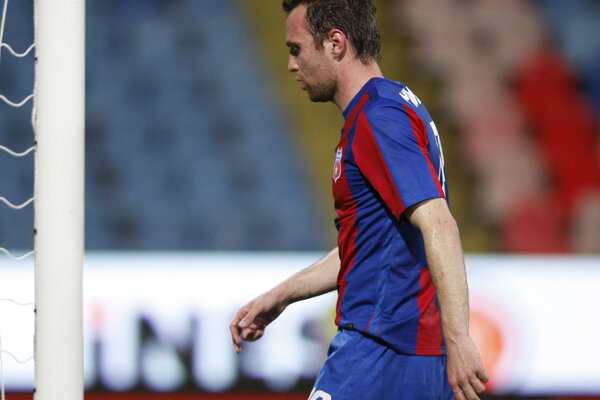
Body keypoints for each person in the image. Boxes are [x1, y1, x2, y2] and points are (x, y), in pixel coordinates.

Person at [229, 1, 488, 399]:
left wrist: (458, 339)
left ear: (335, 43)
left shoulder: (378, 118)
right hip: (406, 352)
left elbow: (439, 222)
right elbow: (370, 246)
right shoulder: (394, 104)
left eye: (297, 49)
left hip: (381, 350)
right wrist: (281, 295)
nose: (292, 65)